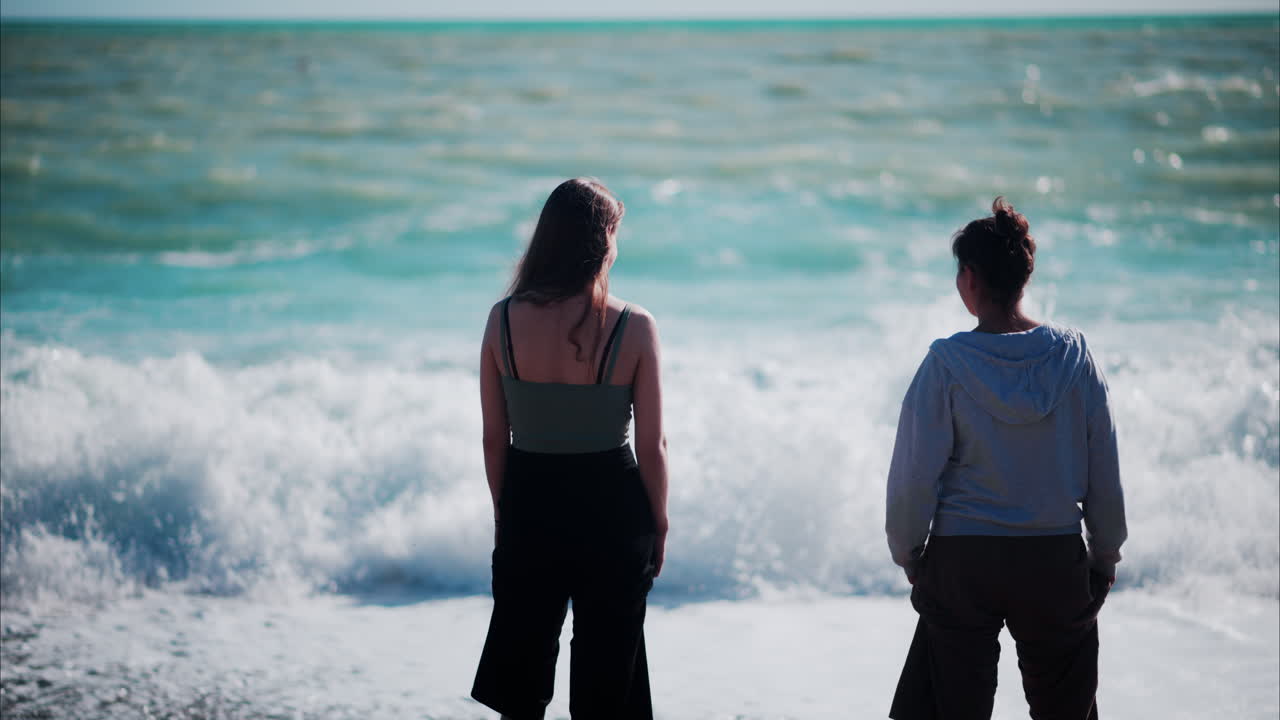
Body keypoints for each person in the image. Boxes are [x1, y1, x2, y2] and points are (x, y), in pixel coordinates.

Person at [885, 197, 1127, 719]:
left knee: (954, 709)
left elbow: (912, 478)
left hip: (963, 561)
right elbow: (1104, 470)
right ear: (1023, 276)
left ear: (970, 278)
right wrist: (1104, 555)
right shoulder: (1074, 356)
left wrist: (910, 554)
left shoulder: (947, 363)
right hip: (1053, 561)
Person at [471, 178, 669, 719]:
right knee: (608, 684)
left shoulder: (503, 318)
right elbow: (652, 445)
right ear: (602, 239)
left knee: (521, 679)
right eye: (616, 234)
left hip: (530, 500)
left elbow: (494, 439)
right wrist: (661, 520)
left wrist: (504, 511)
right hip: (612, 506)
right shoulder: (634, 325)